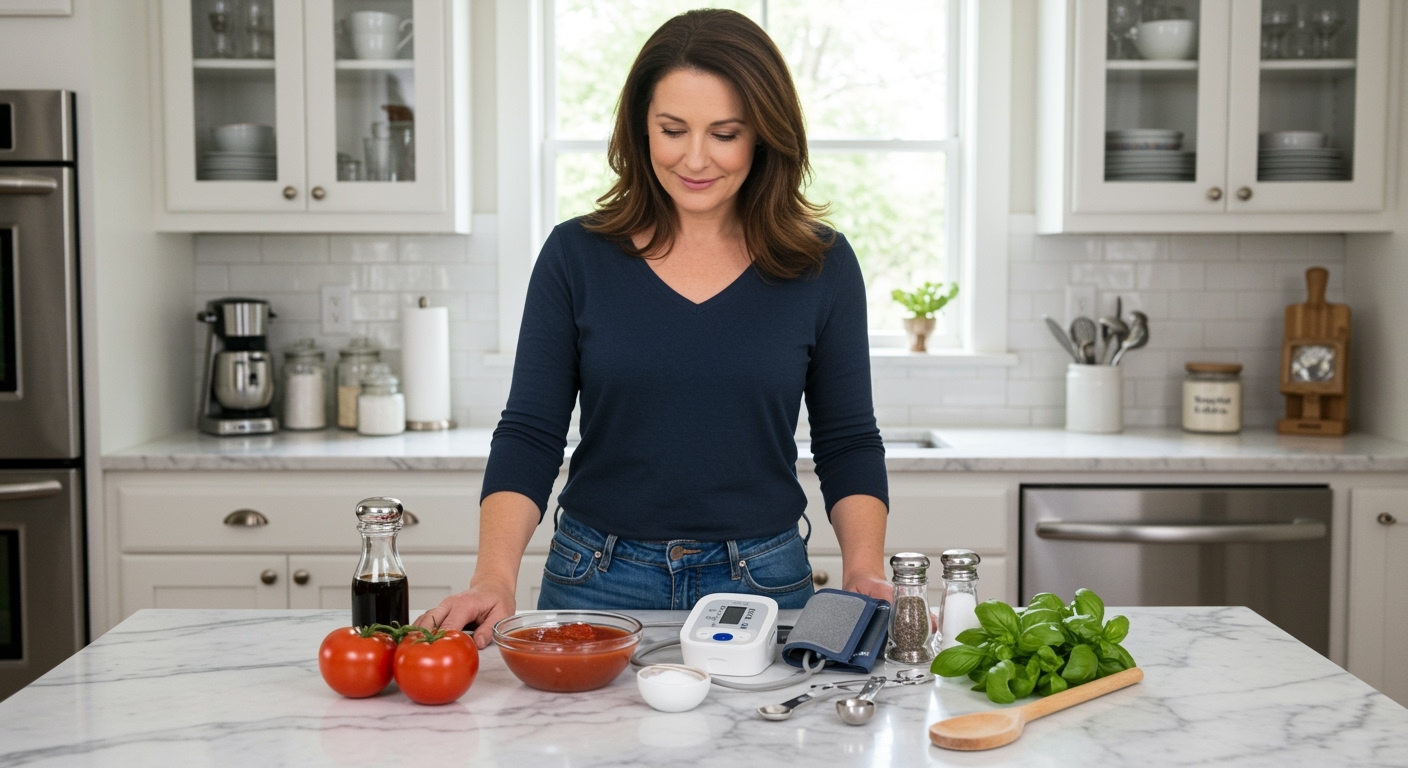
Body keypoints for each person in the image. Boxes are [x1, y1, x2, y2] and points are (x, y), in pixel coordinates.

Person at [415, 8, 889, 649]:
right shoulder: (574, 256)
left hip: (765, 582)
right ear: (641, 129)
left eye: (725, 133)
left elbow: (848, 439)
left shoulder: (821, 262)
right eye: (673, 130)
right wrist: (494, 576)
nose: (696, 158)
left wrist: (864, 568)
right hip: (594, 581)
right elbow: (531, 432)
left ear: (765, 137)